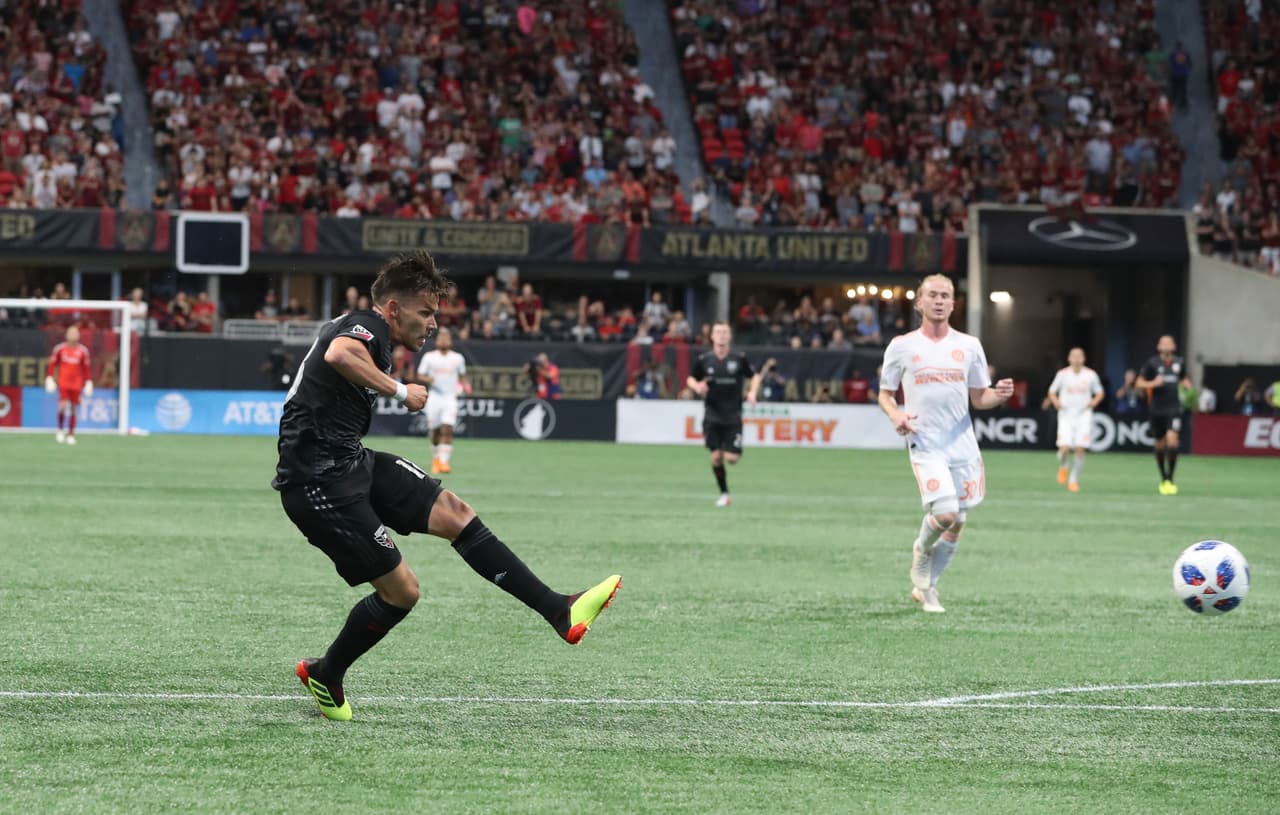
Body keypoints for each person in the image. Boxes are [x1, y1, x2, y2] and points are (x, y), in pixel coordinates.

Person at [273, 250, 620, 721]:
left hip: (350, 461)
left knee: (455, 512)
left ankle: (560, 610)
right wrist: (398, 390)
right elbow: (339, 354)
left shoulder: (363, 326)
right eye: (426, 311)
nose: (433, 322)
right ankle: (327, 673)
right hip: (318, 483)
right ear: (393, 309)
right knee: (403, 593)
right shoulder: (368, 326)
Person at [877, 275, 1014, 613]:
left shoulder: (969, 346)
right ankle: (921, 551)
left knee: (959, 521)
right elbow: (885, 395)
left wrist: (1000, 395)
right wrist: (896, 415)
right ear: (919, 302)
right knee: (946, 512)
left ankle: (928, 588)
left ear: (954, 303)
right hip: (925, 442)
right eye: (932, 295)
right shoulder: (902, 346)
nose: (939, 301)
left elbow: (980, 398)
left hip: (963, 444)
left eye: (946, 296)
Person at [686, 322, 762, 507]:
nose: (721, 336)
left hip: (733, 416)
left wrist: (752, 392)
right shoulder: (705, 359)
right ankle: (724, 494)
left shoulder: (739, 358)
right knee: (716, 457)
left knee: (732, 459)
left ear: (730, 337)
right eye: (718, 332)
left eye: (724, 332)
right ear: (712, 336)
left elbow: (755, 376)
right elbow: (690, 378)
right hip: (712, 415)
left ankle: (726, 485)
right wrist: (697, 387)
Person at [1046, 348, 1104, 492]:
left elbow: (1100, 392)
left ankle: (1073, 479)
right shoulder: (1062, 374)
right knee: (1064, 449)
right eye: (1074, 356)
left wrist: (1094, 402)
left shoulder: (1091, 375)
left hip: (1084, 414)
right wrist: (1055, 401)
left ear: (1083, 359)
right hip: (1066, 414)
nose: (1077, 359)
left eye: (1079, 356)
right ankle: (1064, 466)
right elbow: (1052, 391)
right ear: (1069, 358)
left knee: (1079, 448)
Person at [1135, 335, 1185, 495]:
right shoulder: (1152, 363)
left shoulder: (1179, 363)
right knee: (1159, 444)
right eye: (1164, 343)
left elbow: (1184, 380)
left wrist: (1187, 388)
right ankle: (1163, 477)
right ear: (1159, 346)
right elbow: (1138, 383)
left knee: (1172, 441)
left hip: (1174, 409)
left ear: (1174, 346)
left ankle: (1170, 478)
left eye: (1170, 342)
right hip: (1157, 409)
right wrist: (1153, 384)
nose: (1167, 345)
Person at [416, 326, 469, 474]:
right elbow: (420, 375)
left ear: (450, 341)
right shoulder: (429, 357)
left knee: (448, 428)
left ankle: (444, 463)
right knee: (435, 431)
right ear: (437, 340)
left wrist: (465, 385)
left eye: (446, 338)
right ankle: (437, 458)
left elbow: (463, 375)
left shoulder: (457, 358)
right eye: (441, 337)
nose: (443, 340)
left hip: (450, 398)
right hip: (435, 398)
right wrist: (430, 379)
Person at [45, 325, 93, 445]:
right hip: (63, 382)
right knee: (62, 406)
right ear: (67, 335)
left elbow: (86, 368)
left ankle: (71, 434)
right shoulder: (60, 349)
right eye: (71, 333)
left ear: (78, 335)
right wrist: (50, 377)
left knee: (74, 409)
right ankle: (60, 430)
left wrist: (88, 382)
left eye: (75, 333)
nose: (73, 335)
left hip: (76, 383)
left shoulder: (83, 351)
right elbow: (52, 365)